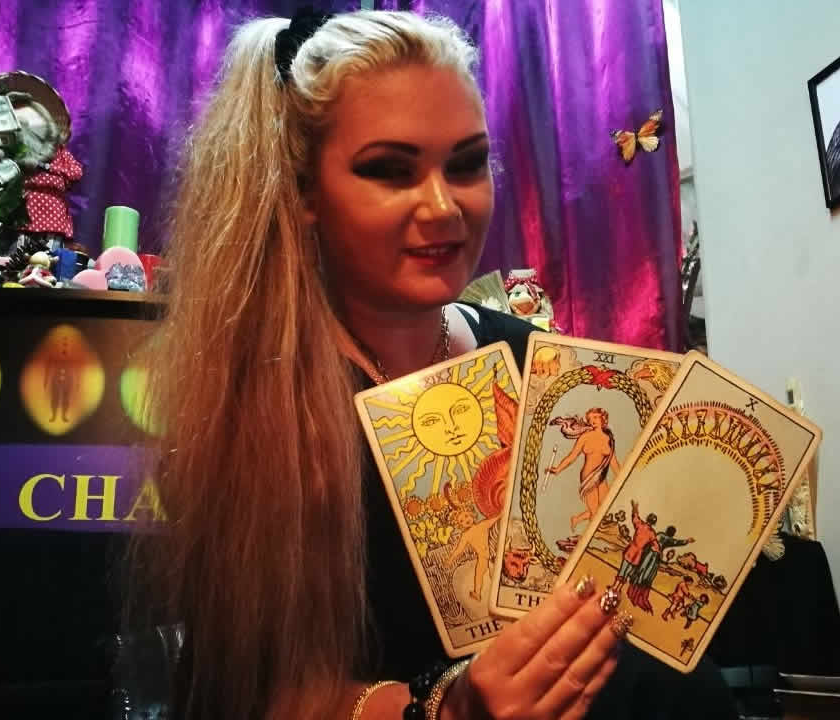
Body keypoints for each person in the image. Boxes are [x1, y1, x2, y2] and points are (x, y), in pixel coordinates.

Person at [133, 8, 737, 720]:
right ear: (303, 192)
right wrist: (443, 709)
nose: (444, 206)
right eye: (390, 171)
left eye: (467, 163)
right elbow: (245, 690)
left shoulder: (537, 362)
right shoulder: (255, 411)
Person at [547, 407, 618, 532]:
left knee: (605, 508)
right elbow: (572, 456)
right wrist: (558, 469)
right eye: (590, 419)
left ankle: (577, 519)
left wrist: (625, 477)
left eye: (595, 417)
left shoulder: (609, 439)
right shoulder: (585, 437)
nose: (592, 421)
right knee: (595, 513)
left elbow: (614, 463)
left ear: (603, 418)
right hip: (588, 477)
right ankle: (588, 538)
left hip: (601, 476)